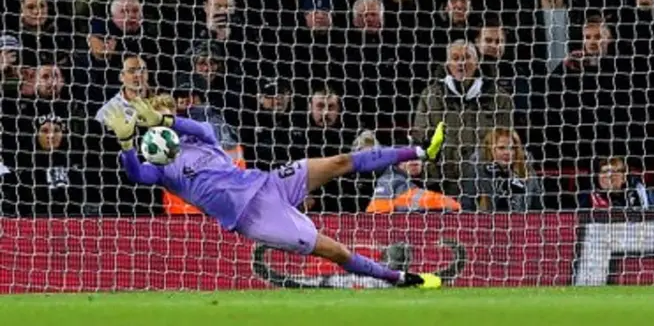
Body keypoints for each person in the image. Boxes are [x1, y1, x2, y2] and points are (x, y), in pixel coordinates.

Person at [101, 96, 447, 289]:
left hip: (267, 183)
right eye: (153, 120)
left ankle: (421, 151)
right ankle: (402, 278)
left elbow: (194, 125)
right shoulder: (163, 169)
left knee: (339, 161)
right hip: (253, 217)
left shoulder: (201, 135)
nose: (161, 124)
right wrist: (126, 143)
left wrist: (164, 121)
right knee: (334, 250)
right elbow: (136, 174)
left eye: (164, 116)